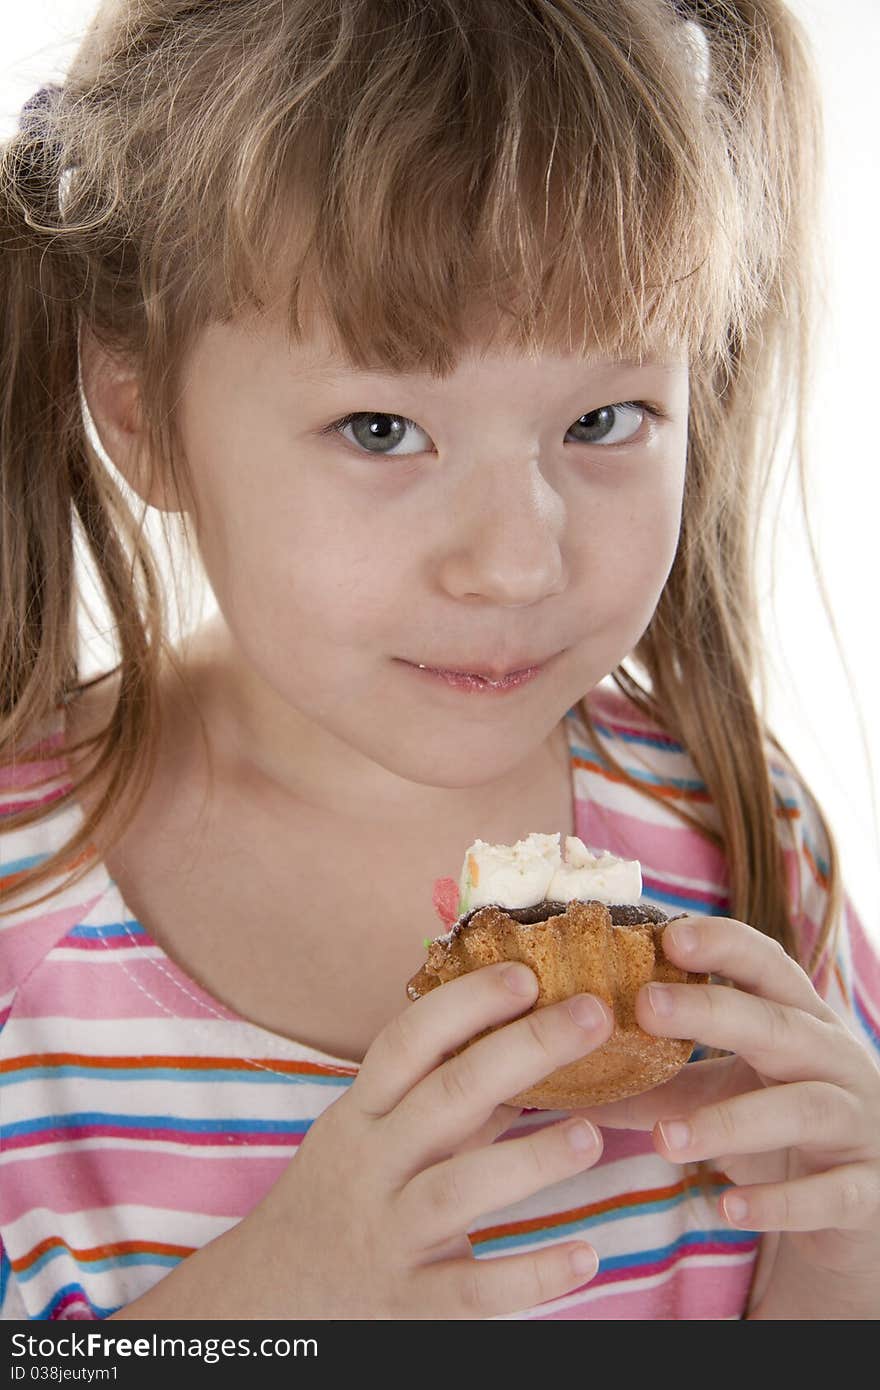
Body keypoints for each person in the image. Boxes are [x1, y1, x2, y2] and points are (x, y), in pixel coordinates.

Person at [1, 0, 878, 1323]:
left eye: (603, 416)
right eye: (380, 426)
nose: (517, 562)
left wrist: (842, 1255)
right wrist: (258, 1314)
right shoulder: (23, 915)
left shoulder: (746, 846)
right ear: (142, 408)